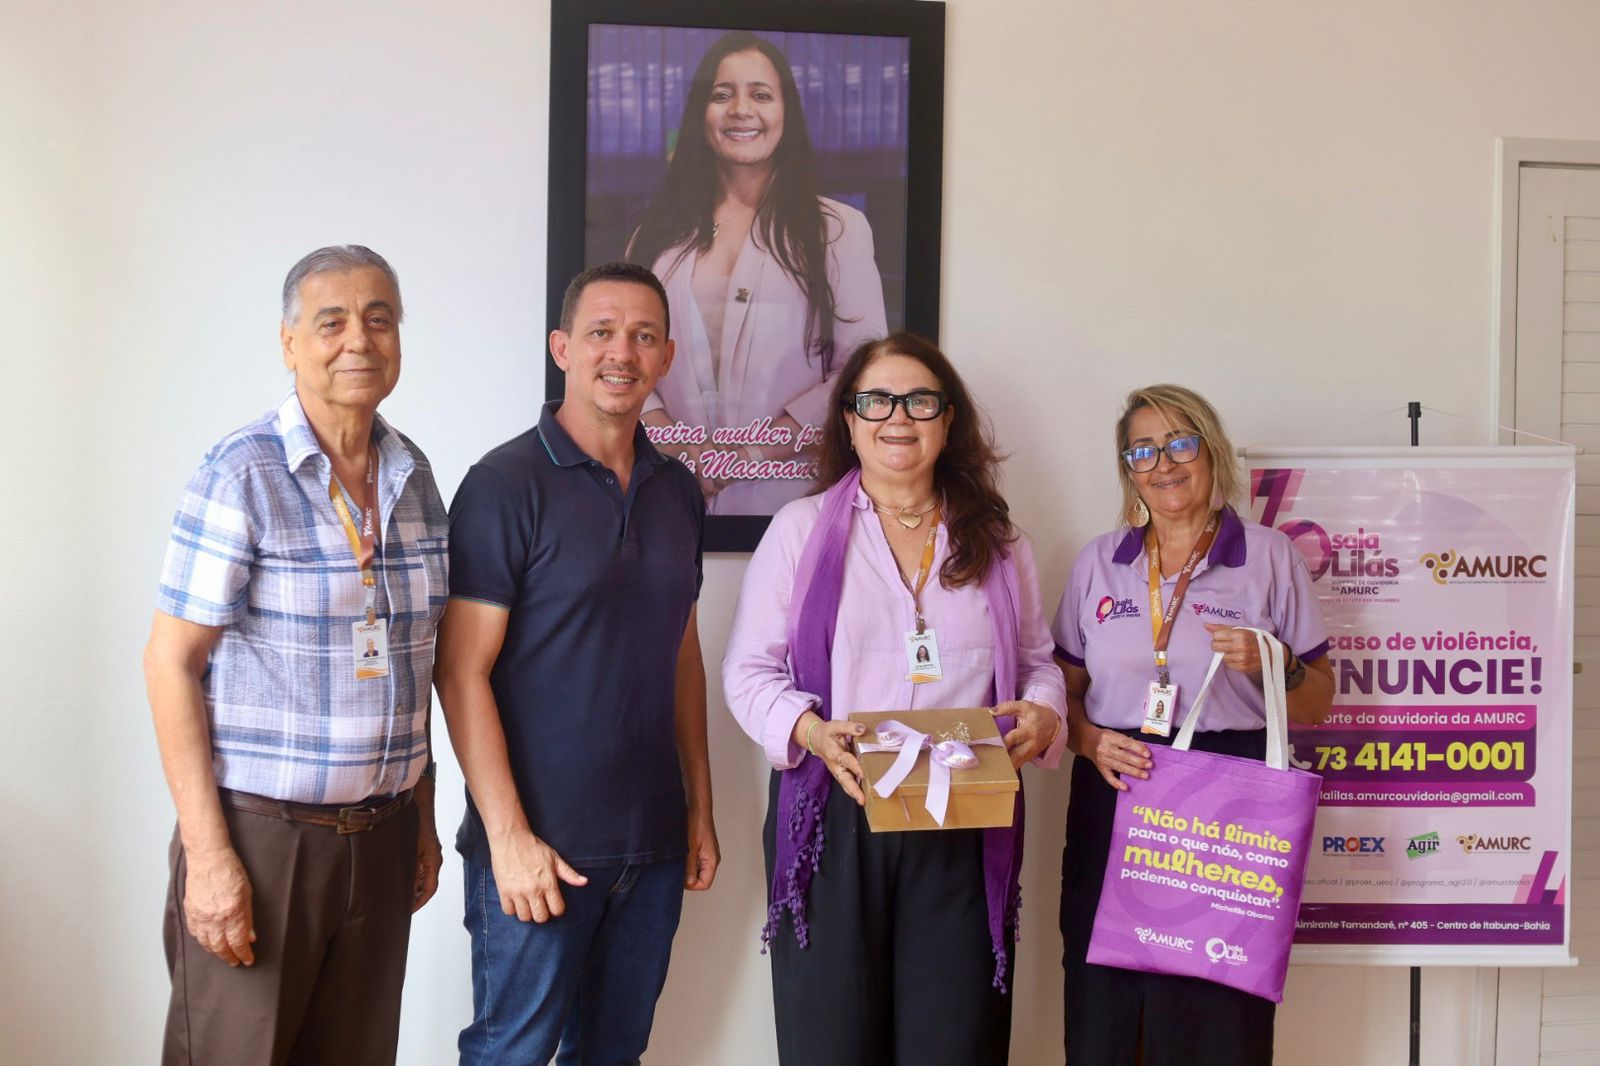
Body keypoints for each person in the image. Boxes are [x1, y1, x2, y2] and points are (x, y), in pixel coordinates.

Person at [723, 333, 1068, 1065]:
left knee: (955, 1039)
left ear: (948, 420)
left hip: (964, 810)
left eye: (919, 400)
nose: (898, 417)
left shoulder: (999, 542)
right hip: (836, 810)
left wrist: (1044, 714)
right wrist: (809, 732)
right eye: (876, 400)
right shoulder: (800, 530)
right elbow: (749, 671)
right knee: (832, 1041)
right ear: (849, 420)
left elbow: (1038, 665)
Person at [143, 245, 448, 1065]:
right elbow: (169, 663)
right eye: (331, 322)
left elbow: (416, 662)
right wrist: (210, 857)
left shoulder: (414, 478)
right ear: (289, 343)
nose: (359, 340)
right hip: (263, 842)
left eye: (379, 319)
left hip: (381, 838)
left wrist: (420, 818)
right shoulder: (241, 472)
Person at [435, 262, 718, 1065]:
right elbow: (460, 672)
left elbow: (682, 653)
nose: (621, 352)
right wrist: (509, 838)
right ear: (562, 348)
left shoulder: (678, 491)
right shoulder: (503, 484)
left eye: (643, 336)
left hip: (651, 848)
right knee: (510, 1057)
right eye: (601, 332)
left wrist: (699, 808)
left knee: (613, 1057)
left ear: (665, 358)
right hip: (539, 851)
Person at [1051, 385, 1334, 1065]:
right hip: (1117, 789)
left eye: (1180, 443)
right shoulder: (1099, 562)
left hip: (1227, 801)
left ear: (1211, 452)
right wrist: (1089, 742)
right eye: (1143, 450)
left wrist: (1278, 664)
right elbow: (1062, 693)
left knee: (1217, 1006)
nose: (1164, 463)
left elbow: (1319, 703)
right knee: (1106, 1001)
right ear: (1128, 469)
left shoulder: (1269, 556)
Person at [627, 30, 888, 515]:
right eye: (722, 94)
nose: (741, 110)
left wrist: (751, 455)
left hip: (794, 505)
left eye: (761, 95)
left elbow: (863, 372)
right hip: (665, 499)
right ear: (700, 114)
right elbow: (628, 361)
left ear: (787, 114)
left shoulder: (838, 230)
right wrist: (680, 450)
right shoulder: (653, 236)